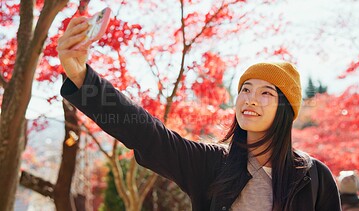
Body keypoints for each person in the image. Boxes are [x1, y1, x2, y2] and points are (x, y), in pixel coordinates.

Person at [57, 17, 341, 211]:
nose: (250, 99)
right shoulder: (212, 163)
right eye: (245, 89)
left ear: (285, 111)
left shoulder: (313, 177)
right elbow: (148, 135)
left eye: (266, 92)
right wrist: (84, 78)